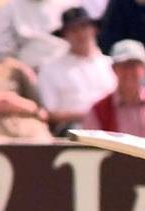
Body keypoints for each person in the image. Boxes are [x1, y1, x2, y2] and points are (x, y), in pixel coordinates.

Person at [37, 6, 116, 135]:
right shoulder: (50, 68)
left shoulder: (111, 65)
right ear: (64, 35)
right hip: (72, 132)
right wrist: (90, 115)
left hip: (112, 129)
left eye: (83, 27)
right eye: (73, 30)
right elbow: (50, 113)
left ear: (94, 29)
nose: (80, 34)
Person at [82, 39, 145, 136]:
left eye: (134, 66)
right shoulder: (98, 110)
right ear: (114, 69)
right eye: (124, 66)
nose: (129, 71)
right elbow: (90, 148)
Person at [0, 17, 52, 140]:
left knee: (41, 140)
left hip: (25, 125)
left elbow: (42, 113)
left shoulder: (14, 67)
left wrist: (13, 103)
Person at [0, 0, 76, 71]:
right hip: (30, 73)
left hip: (71, 70)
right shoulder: (9, 8)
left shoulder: (70, 4)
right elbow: (0, 53)